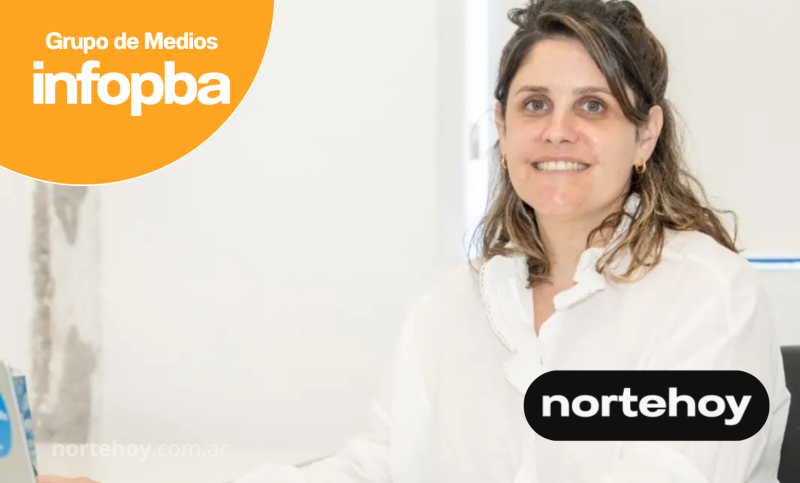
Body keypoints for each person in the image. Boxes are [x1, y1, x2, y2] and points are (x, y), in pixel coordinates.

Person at [38, 0, 791, 482]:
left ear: (645, 134)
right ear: (502, 129)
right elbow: (373, 468)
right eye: (535, 104)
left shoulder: (708, 296)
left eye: (592, 106)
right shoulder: (456, 303)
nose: (558, 131)